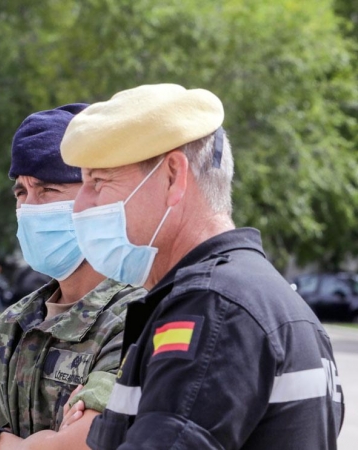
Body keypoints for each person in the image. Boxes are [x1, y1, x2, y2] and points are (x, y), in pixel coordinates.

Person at [59, 84, 344, 449]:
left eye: (98, 182)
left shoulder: (213, 308)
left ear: (173, 176)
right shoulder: (261, 297)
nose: (80, 207)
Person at [0, 105, 145, 450]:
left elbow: (83, 443)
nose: (30, 208)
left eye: (48, 190)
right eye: (21, 193)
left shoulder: (135, 317)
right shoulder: (15, 324)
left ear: (95, 196)